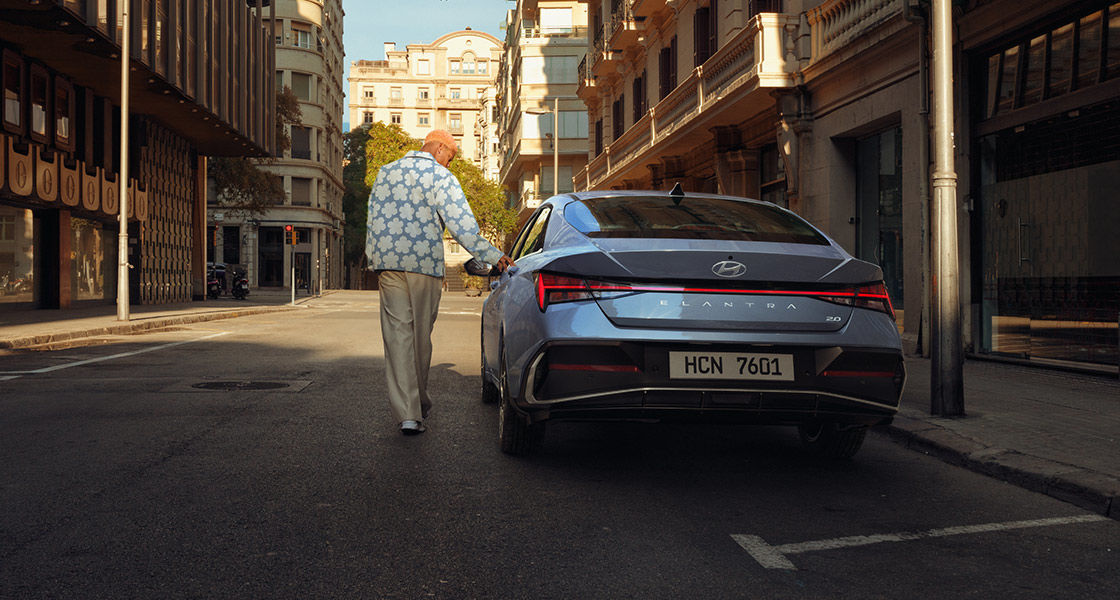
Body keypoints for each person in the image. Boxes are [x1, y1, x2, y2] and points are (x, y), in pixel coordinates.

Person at [366, 130, 515, 435]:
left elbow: (374, 219)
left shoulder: (386, 172)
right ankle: (417, 406)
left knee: (397, 339)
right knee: (420, 336)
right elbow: (463, 227)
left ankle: (408, 413)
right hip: (423, 264)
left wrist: (375, 258)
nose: (451, 163)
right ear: (438, 148)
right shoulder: (440, 176)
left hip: (389, 265)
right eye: (451, 156)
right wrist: (495, 256)